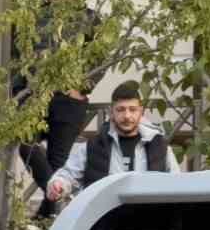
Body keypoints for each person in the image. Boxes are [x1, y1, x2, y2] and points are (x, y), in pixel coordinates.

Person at [14, 0, 93, 223]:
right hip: (34, 95)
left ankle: (48, 213)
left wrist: (83, 86)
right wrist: (16, 92)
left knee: (58, 158)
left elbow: (101, 55)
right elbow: (15, 56)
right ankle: (55, 203)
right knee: (26, 145)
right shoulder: (30, 17)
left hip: (69, 99)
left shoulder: (88, 18)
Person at [45, 79, 179, 205]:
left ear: (141, 111)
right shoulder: (91, 147)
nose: (127, 116)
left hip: (152, 224)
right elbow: (67, 176)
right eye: (120, 110)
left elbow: (177, 185)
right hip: (103, 224)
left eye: (132, 109)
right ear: (111, 112)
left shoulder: (161, 147)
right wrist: (57, 185)